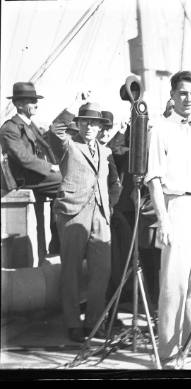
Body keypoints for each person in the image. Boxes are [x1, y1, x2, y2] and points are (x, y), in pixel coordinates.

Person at [145, 71, 191, 366]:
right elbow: (153, 179)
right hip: (176, 205)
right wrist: (163, 220)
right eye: (182, 93)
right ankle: (169, 349)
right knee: (173, 281)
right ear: (172, 96)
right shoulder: (160, 130)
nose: (187, 98)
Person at [48, 101, 121, 343]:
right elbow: (55, 129)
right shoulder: (68, 145)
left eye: (94, 123)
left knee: (102, 269)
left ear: (101, 127)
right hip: (73, 212)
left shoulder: (104, 149)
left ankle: (94, 323)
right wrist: (70, 105)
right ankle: (72, 324)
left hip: (100, 214)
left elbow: (112, 183)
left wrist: (108, 205)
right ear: (77, 124)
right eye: (85, 121)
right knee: (71, 270)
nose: (90, 126)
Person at [0, 82, 62, 261]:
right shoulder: (9, 128)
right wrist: (51, 167)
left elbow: (50, 136)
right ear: (18, 104)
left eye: (36, 100)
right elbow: (23, 159)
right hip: (24, 178)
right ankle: (59, 241)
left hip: (36, 177)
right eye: (31, 100)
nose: (36, 104)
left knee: (65, 186)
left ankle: (52, 245)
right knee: (66, 183)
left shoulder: (31, 125)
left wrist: (70, 109)